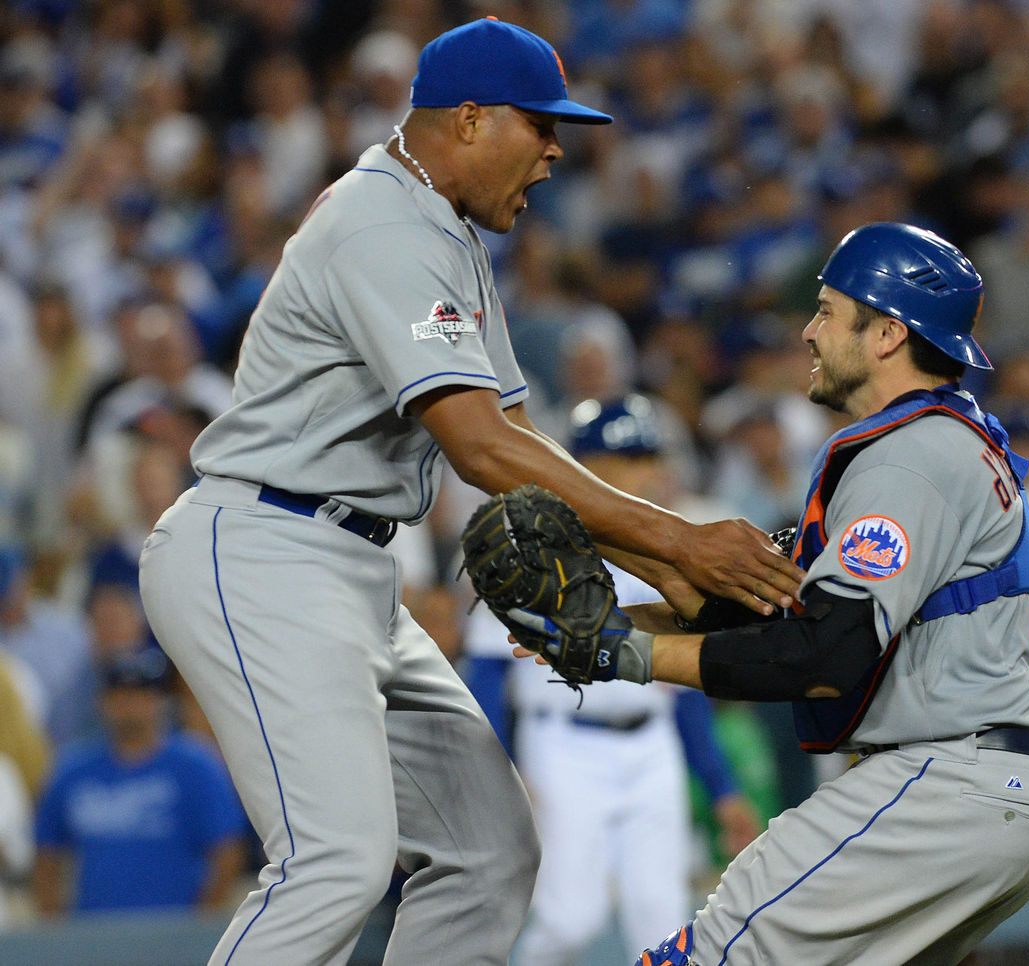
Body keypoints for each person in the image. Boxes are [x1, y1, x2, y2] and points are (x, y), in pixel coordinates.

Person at [136, 17, 802, 966]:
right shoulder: (381, 222)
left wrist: (662, 565)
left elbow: (521, 437)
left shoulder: (439, 227)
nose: (556, 151)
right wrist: (685, 542)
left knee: (487, 850)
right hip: (260, 550)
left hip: (346, 566)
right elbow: (481, 449)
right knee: (336, 860)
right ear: (471, 119)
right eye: (541, 126)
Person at [509, 222, 1029, 965]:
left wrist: (628, 654)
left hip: (946, 781)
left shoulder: (909, 458)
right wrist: (614, 616)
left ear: (886, 335)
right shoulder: (944, 441)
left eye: (828, 312)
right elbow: (775, 600)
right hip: (995, 785)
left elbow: (819, 651)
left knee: (704, 956)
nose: (808, 332)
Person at [464, 394, 761, 966]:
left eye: (650, 455)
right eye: (631, 456)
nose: (648, 469)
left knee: (668, 921)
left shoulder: (671, 551)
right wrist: (498, 778)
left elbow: (683, 695)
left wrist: (722, 789)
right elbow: (484, 683)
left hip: (652, 749)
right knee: (570, 922)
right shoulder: (523, 546)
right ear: (584, 465)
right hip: (561, 748)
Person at [31, 649, 246, 915]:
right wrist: (54, 928)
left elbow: (227, 848)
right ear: (102, 702)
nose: (129, 706)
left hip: (176, 933)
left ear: (161, 701)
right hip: (93, 936)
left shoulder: (195, 765)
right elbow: (46, 851)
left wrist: (204, 922)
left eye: (140, 695)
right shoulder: (73, 769)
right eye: (120, 696)